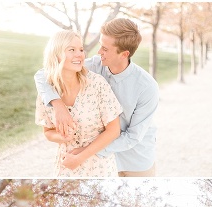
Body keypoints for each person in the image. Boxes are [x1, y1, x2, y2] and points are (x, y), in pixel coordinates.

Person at [35, 18, 159, 177]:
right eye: (101, 45)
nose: (99, 52)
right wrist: (58, 105)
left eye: (105, 48)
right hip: (95, 160)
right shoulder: (94, 65)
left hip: (133, 161)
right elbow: (45, 74)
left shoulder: (147, 87)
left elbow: (132, 137)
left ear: (124, 54)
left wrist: (85, 152)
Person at [34, 30, 122, 176]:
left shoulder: (96, 84)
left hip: (99, 168)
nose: (79, 54)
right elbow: (48, 132)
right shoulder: (47, 92)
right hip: (66, 167)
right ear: (56, 54)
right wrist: (62, 137)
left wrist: (80, 157)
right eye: (71, 50)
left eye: (81, 49)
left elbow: (113, 130)